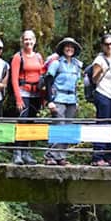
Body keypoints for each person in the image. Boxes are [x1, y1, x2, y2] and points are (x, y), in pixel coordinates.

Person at [44, 37, 83, 166]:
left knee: (67, 128)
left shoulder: (76, 65)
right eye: (67, 46)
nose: (69, 49)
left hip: (71, 99)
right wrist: (50, 101)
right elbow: (48, 81)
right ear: (62, 48)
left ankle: (61, 156)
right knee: (58, 126)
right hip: (59, 98)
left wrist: (77, 101)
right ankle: (50, 155)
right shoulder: (56, 63)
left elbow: (77, 84)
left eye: (72, 47)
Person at [11, 29, 45, 165]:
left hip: (36, 93)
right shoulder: (18, 56)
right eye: (26, 39)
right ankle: (17, 153)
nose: (28, 42)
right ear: (22, 41)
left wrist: (43, 97)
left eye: (31, 39)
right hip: (23, 92)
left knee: (31, 123)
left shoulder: (38, 57)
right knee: (22, 122)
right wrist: (18, 98)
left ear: (35, 41)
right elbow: (13, 79)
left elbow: (42, 75)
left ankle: (27, 152)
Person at [91, 33, 111, 166]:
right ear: (102, 46)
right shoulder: (99, 60)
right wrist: (101, 71)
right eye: (107, 44)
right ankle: (98, 156)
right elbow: (94, 79)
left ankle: (109, 155)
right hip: (103, 95)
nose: (109, 46)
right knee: (102, 125)